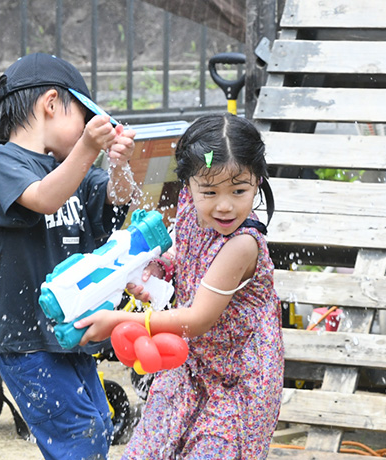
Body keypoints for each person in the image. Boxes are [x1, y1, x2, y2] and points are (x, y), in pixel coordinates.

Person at [76, 113, 285, 459]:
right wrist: (163, 268)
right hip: (188, 366)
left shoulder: (242, 244)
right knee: (148, 451)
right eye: (209, 191)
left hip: (237, 382)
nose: (224, 205)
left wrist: (120, 322)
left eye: (239, 190)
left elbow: (199, 318)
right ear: (187, 184)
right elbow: (186, 255)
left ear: (258, 181)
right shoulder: (191, 208)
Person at [0, 53, 137, 460]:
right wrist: (86, 148)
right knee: (77, 432)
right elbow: (44, 198)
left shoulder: (74, 169)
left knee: (97, 422)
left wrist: (119, 165)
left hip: (69, 333)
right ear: (51, 103)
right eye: (83, 116)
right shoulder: (1, 162)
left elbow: (115, 202)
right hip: (26, 337)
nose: (86, 129)